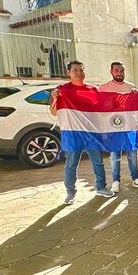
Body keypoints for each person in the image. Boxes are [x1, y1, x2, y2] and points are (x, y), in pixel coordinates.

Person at [49, 61, 115, 204]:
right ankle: (70, 193)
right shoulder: (61, 90)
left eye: (81, 70)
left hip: (92, 132)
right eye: (75, 70)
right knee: (71, 164)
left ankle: (101, 187)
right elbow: (54, 112)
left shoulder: (93, 90)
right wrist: (55, 98)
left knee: (98, 162)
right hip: (73, 133)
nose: (79, 72)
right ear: (68, 73)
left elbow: (104, 108)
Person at [99, 61, 138, 191]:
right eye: (116, 70)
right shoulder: (103, 88)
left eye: (122, 71)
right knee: (115, 155)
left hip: (129, 126)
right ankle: (116, 181)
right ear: (111, 71)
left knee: (132, 153)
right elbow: (99, 107)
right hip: (112, 127)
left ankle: (136, 179)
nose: (119, 73)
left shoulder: (131, 88)